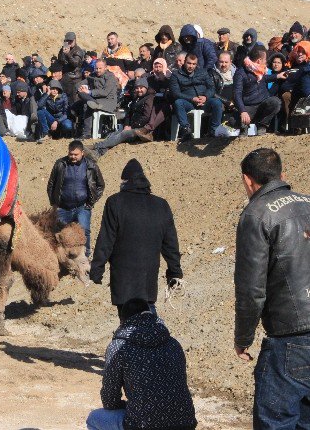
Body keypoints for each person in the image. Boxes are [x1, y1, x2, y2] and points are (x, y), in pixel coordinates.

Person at [234, 148, 310, 429]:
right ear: (282, 174)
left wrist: (242, 337)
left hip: (289, 336)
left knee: (274, 421)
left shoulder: (256, 214)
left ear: (247, 180)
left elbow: (251, 289)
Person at [90, 159, 183, 321]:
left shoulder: (115, 202)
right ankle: (152, 341)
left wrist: (97, 269)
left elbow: (106, 239)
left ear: (125, 181)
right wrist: (175, 272)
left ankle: (133, 345)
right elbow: (170, 243)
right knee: (148, 314)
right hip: (148, 277)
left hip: (123, 277)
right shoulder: (161, 205)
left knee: (128, 324)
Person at [86, 298, 197, 430]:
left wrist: (130, 405)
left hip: (143, 425)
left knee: (93, 419)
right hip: (185, 423)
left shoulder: (118, 347)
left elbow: (109, 399)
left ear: (122, 321)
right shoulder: (173, 343)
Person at [47, 140, 105, 256]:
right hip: (63, 207)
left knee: (85, 230)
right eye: (70, 154)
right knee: (60, 232)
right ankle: (62, 256)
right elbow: (51, 184)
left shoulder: (91, 166)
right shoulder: (60, 164)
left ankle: (86, 254)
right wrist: (54, 203)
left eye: (76, 154)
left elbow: (100, 185)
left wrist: (91, 201)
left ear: (82, 153)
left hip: (82, 206)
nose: (73, 157)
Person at [91, 78, 158, 158]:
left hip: (141, 129)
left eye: (141, 88)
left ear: (146, 88)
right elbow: (129, 113)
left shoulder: (149, 98)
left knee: (123, 134)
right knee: (114, 134)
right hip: (131, 127)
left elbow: (146, 117)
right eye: (137, 88)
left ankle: (96, 146)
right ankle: (98, 153)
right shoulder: (136, 98)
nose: (139, 90)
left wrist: (132, 126)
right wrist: (126, 125)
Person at [170, 53, 223, 142]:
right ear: (184, 62)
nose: (191, 66)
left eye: (194, 64)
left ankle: (214, 130)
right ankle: (186, 130)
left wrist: (205, 97)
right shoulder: (176, 75)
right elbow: (175, 93)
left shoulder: (203, 72)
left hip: (204, 101)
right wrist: (192, 98)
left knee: (217, 102)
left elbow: (211, 88)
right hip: (188, 102)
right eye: (189, 63)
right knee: (178, 102)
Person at [233, 49, 284, 135]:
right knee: (234, 120)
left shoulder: (260, 70)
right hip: (248, 106)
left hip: (262, 104)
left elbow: (264, 78)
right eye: (265, 60)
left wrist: (278, 76)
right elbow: (237, 94)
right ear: (259, 60)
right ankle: (244, 130)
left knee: (276, 102)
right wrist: (243, 111)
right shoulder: (241, 73)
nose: (266, 62)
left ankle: (262, 125)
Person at [74, 59, 118, 139]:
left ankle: (87, 133)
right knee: (76, 105)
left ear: (105, 67)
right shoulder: (93, 75)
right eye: (96, 68)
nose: (98, 70)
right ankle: (76, 131)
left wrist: (89, 92)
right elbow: (80, 83)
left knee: (87, 105)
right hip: (95, 99)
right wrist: (79, 88)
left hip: (108, 101)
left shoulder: (110, 77)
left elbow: (105, 92)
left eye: (100, 68)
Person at [57, 31, 86, 102]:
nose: (69, 43)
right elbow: (60, 61)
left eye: (71, 41)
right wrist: (62, 53)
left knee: (73, 100)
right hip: (65, 77)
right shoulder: (65, 48)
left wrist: (68, 54)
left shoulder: (78, 51)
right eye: (67, 41)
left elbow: (75, 64)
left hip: (74, 79)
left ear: (75, 40)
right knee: (63, 98)